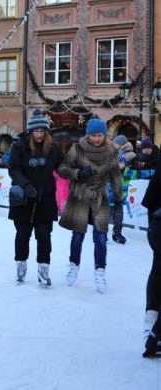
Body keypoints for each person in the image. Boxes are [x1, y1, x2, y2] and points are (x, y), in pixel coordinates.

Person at [57, 118, 122, 294]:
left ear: (104, 135)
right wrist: (77, 173)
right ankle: (74, 265)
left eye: (99, 135)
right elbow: (62, 168)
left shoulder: (111, 151)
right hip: (80, 195)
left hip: (100, 196)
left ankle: (100, 270)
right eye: (93, 135)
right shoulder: (77, 149)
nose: (96, 138)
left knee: (100, 237)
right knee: (78, 235)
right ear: (88, 135)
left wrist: (118, 195)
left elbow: (116, 174)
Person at [6, 110, 62, 286]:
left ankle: (43, 270)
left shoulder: (52, 149)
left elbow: (62, 167)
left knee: (44, 236)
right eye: (36, 131)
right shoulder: (19, 146)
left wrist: (76, 172)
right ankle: (21, 265)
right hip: (24, 199)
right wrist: (25, 184)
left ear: (46, 133)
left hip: (45, 199)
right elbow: (13, 168)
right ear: (30, 132)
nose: (39, 135)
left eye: (42, 132)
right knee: (22, 235)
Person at [140, 158, 161, 358]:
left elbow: (150, 198)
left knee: (158, 269)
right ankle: (155, 334)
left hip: (157, 224)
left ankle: (151, 324)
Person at [110, 135, 136, 245]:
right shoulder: (131, 154)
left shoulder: (121, 155)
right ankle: (117, 233)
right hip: (122, 188)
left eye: (115, 143)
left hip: (113, 187)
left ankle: (105, 234)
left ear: (119, 144)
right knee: (118, 210)